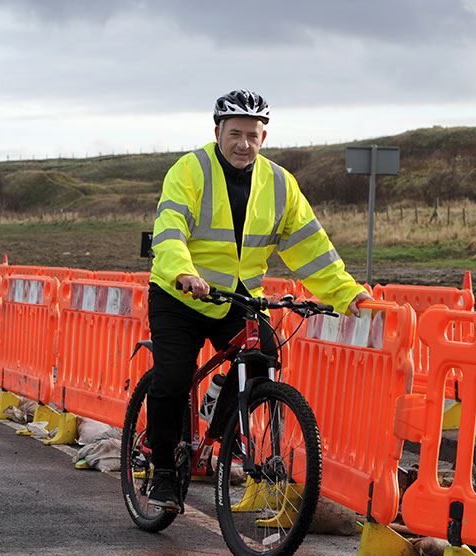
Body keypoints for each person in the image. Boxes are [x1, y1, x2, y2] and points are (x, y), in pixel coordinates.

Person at [146, 89, 371, 509]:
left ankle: (224, 426)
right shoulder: (189, 170)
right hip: (180, 294)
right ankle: (161, 472)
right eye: (234, 133)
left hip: (238, 298)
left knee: (265, 356)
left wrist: (345, 293)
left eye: (252, 134)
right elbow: (170, 227)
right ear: (217, 132)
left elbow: (310, 248)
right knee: (173, 378)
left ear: (263, 137)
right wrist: (183, 272)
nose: (243, 143)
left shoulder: (280, 183)